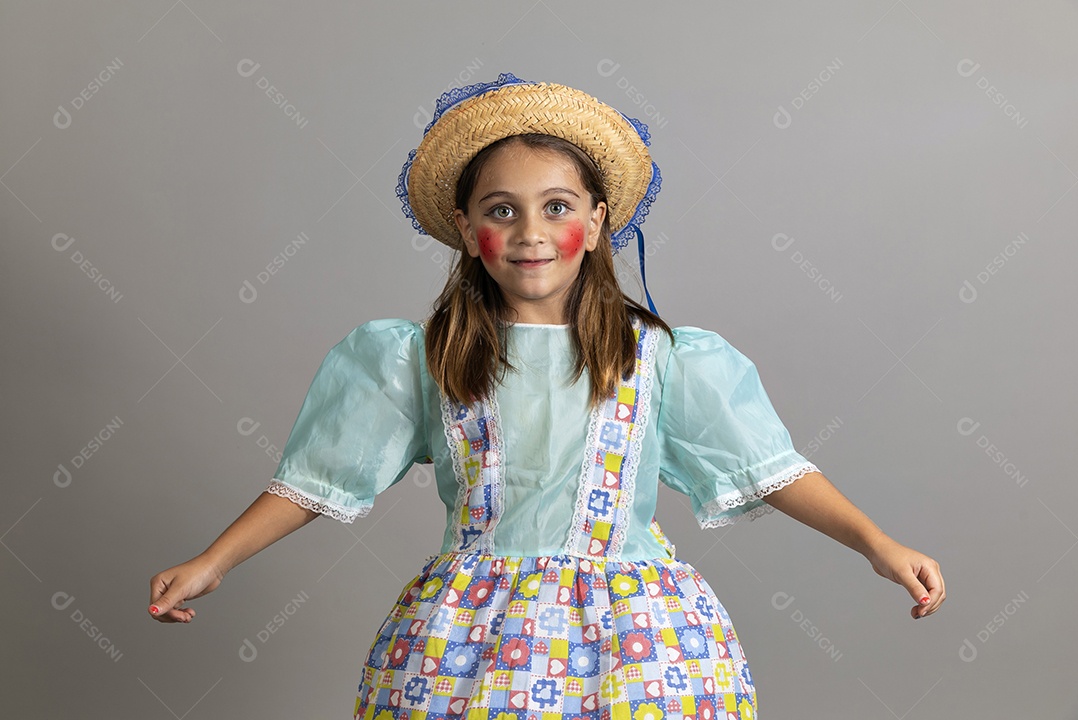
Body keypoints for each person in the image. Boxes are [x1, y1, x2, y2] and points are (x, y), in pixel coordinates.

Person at [148, 73, 945, 719]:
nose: (530, 232)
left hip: (637, 642)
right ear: (468, 229)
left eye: (556, 208)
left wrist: (877, 543)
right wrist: (215, 560)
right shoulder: (423, 358)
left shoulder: (660, 359)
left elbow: (771, 468)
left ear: (597, 223)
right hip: (467, 641)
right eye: (503, 211)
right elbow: (322, 477)